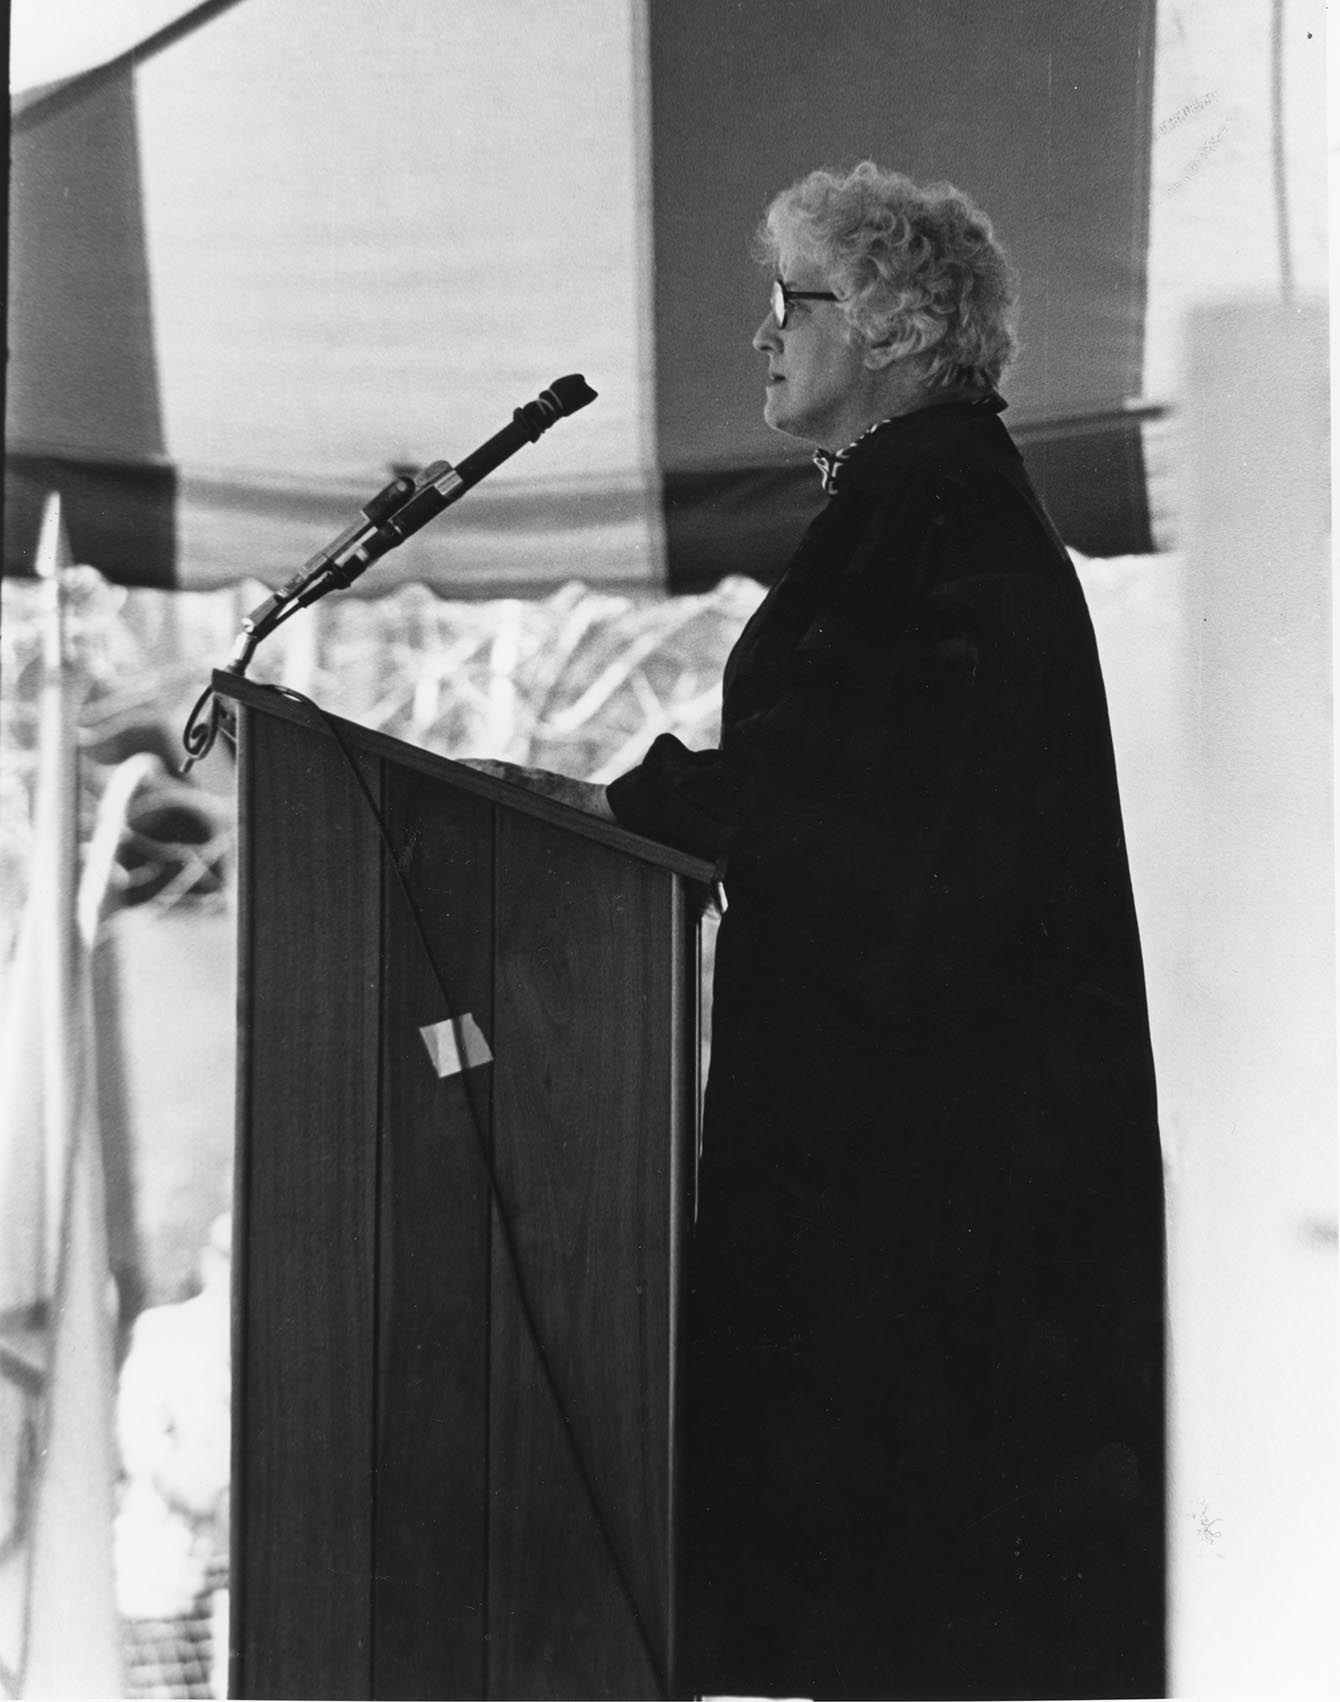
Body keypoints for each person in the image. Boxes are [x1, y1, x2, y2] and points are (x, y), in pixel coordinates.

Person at [471, 161, 1165, 1700]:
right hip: (934, 1159)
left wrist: (626, 809)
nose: (766, 337)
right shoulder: (927, 500)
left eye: (797, 302)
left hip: (923, 1174)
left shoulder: (938, 504)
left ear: (903, 329)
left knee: (905, 1593)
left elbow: (841, 776)